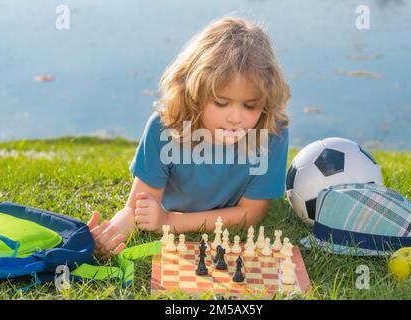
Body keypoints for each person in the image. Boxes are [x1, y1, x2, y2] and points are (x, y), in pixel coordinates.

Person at [87, 16, 291, 260]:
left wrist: (170, 222)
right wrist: (109, 236)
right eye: (221, 102)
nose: (236, 118)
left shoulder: (271, 133)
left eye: (250, 105)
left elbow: (250, 214)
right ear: (194, 92)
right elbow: (136, 210)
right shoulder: (165, 129)